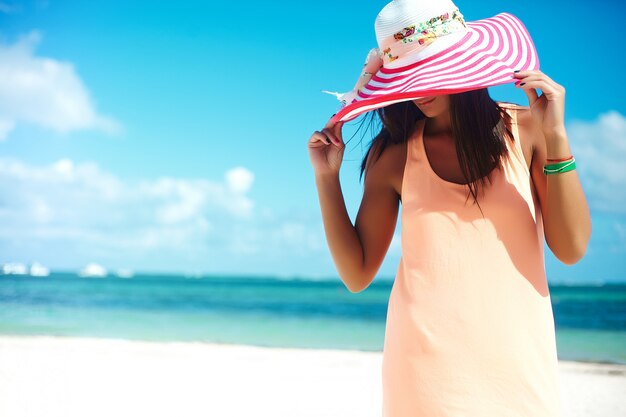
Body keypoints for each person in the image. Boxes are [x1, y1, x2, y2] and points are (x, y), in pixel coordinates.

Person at [307, 0, 591, 416]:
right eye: (407, 77)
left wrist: (558, 136)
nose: (418, 89)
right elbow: (357, 274)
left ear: (464, 63)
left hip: (518, 366)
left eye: (429, 72)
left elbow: (570, 248)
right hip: (422, 371)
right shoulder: (395, 154)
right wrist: (326, 178)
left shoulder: (529, 130)